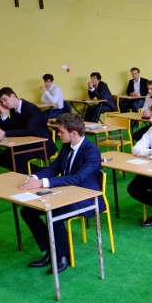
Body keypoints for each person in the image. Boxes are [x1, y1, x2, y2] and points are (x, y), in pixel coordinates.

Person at [19, 112, 104, 274]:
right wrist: (34, 177)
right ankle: (51, 251)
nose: (58, 135)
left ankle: (64, 256)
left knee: (54, 215)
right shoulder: (67, 146)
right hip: (67, 192)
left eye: (61, 132)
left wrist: (42, 183)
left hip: (87, 197)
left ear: (73, 133)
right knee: (27, 211)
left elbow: (76, 178)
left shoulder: (92, 152)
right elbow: (54, 168)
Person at [0, 87, 57, 174]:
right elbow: (12, 128)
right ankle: (39, 172)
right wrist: (4, 115)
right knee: (1, 158)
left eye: (5, 100)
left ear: (13, 96)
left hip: (41, 144)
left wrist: (5, 134)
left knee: (16, 160)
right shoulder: (13, 110)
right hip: (26, 143)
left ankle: (42, 173)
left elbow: (29, 131)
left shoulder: (31, 109)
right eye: (1, 102)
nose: (3, 103)